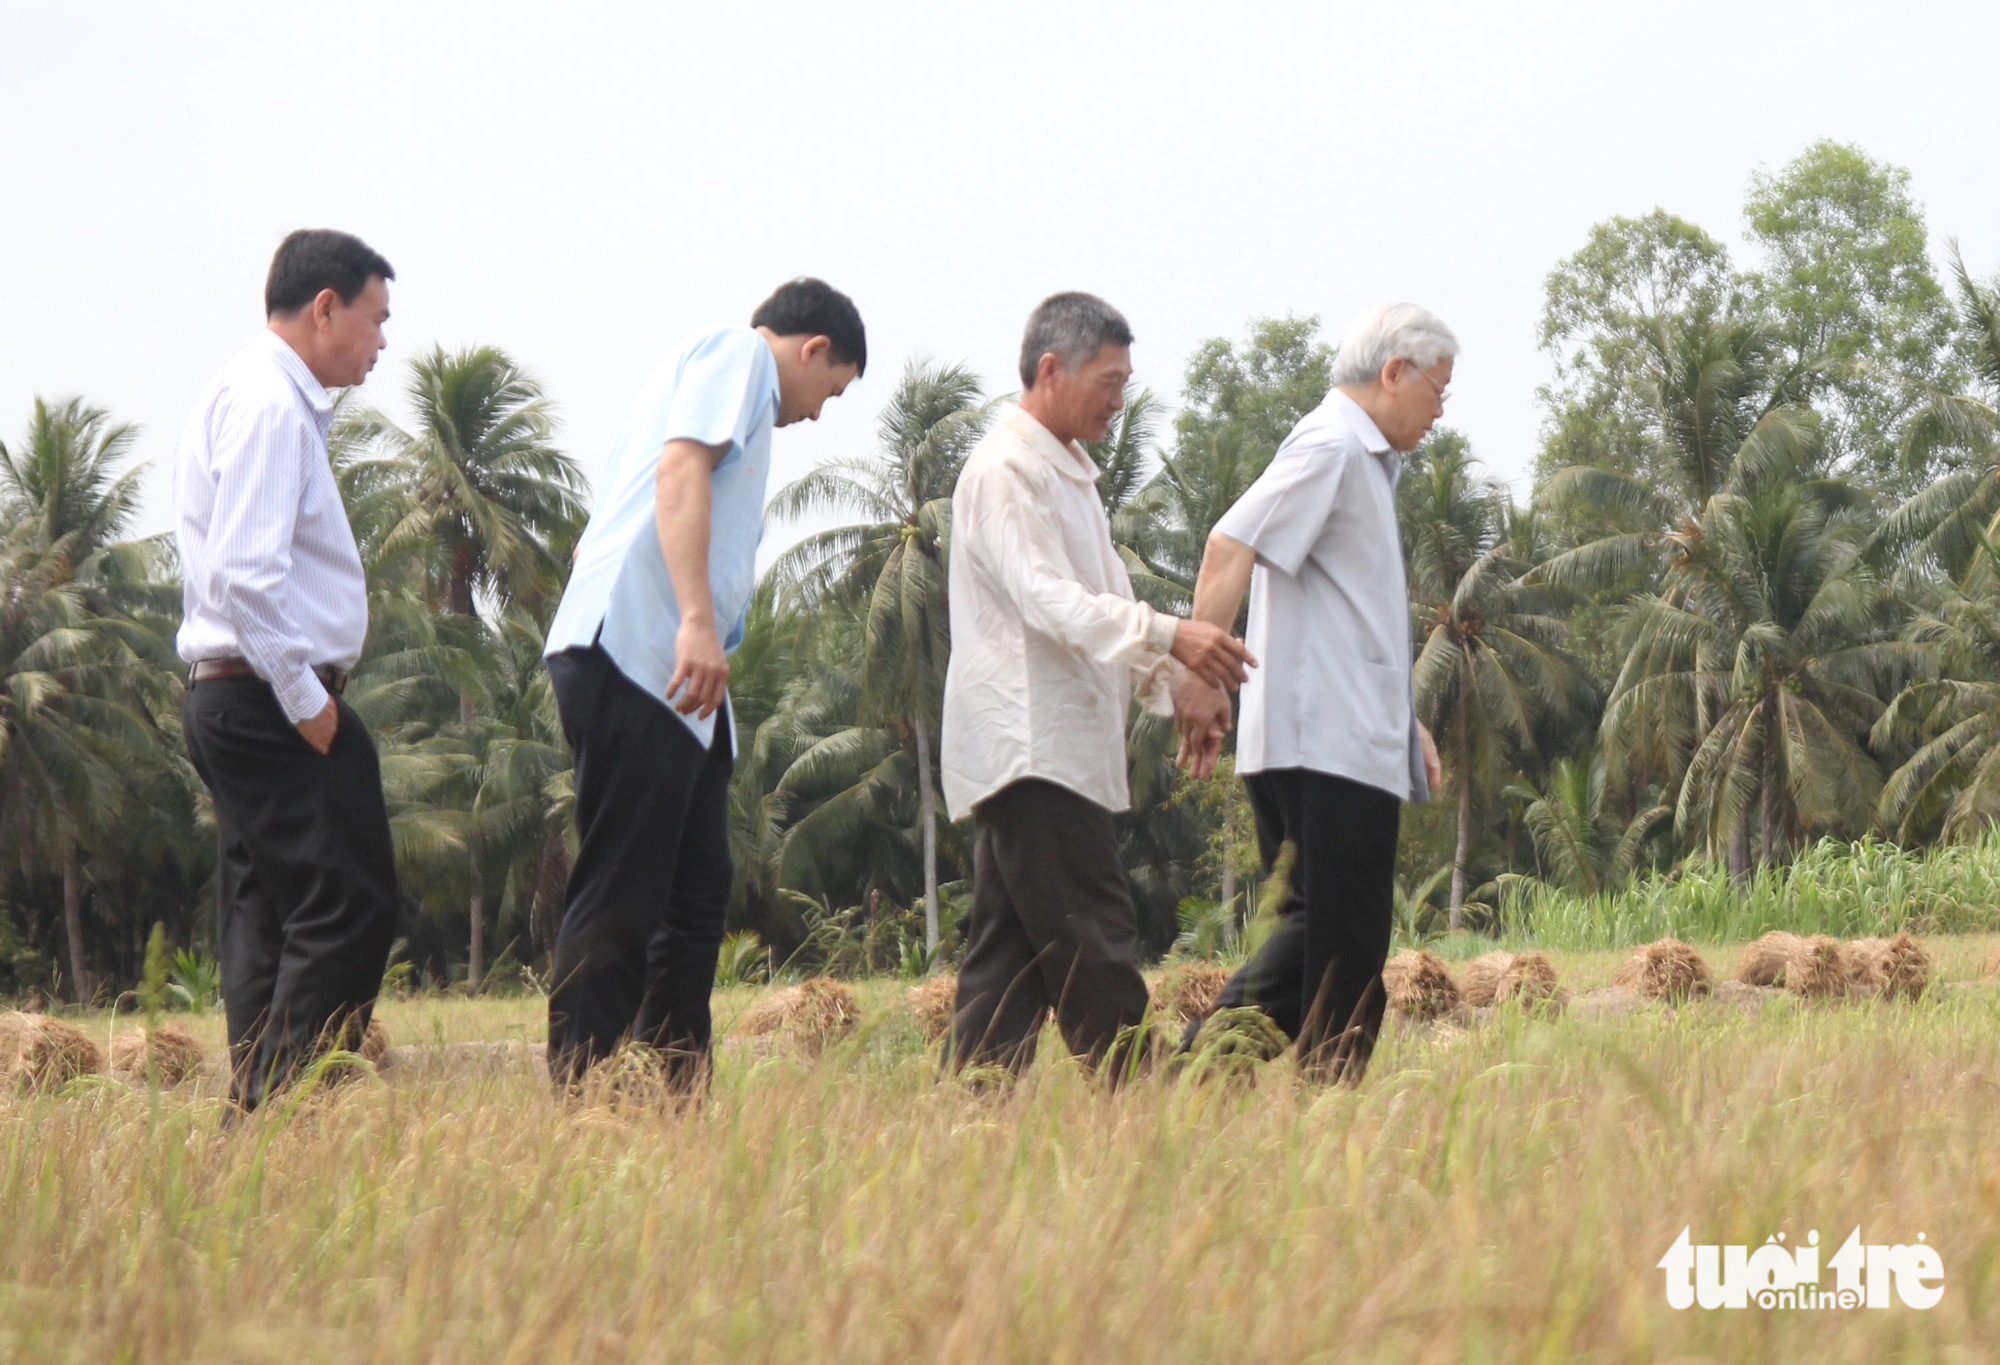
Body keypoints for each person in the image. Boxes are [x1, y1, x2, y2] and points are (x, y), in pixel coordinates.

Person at [541, 278, 865, 1090]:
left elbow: (601, 531)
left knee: (694, 891)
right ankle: (582, 1091)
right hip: (643, 653)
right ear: (812, 347)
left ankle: (672, 1092)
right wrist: (692, 619)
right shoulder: (739, 356)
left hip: (672, 681)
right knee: (625, 887)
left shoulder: (690, 382)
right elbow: (680, 474)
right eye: (831, 390)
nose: (819, 414)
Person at [943, 291, 1255, 1076]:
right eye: (1108, 381)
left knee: (1006, 967)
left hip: (1056, 747)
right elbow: (1048, 601)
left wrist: (1173, 682)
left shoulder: (1068, 474)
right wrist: (1170, 637)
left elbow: (1104, 597)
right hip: (1032, 744)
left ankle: (968, 1122)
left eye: (1125, 383)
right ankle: (1145, 1100)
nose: (1119, 401)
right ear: (1051, 369)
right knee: (1092, 934)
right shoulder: (1007, 470)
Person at [1173, 302, 1452, 1084]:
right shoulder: (1331, 444)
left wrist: (1406, 723)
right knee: (1341, 945)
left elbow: (1350, 619)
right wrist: (1201, 674)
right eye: (1438, 390)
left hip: (1345, 735)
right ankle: (1229, 1078)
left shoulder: (1363, 460)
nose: (1440, 411)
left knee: (1324, 939)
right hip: (1321, 743)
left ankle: (1219, 1078)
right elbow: (1229, 545)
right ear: (1393, 372)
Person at [176, 228, 401, 1111]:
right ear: (324, 309)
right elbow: (244, 572)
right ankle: (283, 1110)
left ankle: (258, 1116)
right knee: (349, 904)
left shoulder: (243, 391)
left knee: (267, 913)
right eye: (376, 319)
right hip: (269, 695)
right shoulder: (271, 404)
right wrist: (309, 702)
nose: (382, 341)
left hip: (234, 694)